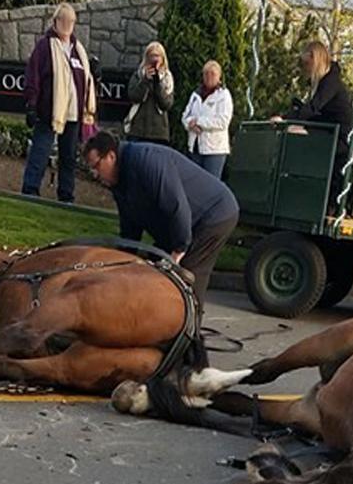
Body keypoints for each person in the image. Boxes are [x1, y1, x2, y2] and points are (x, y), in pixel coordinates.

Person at [82, 131, 238, 304]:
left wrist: (178, 251)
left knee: (185, 277)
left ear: (111, 156)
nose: (94, 174)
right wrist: (124, 258)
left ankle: (189, 327)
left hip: (214, 213)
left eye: (96, 166)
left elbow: (176, 205)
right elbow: (129, 225)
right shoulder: (118, 180)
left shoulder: (146, 161)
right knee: (153, 270)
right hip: (180, 221)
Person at [22, 3, 97, 204]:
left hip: (73, 114)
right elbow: (33, 76)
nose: (67, 24)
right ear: (55, 21)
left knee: (69, 158)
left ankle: (66, 195)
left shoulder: (78, 49)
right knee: (40, 152)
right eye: (63, 20)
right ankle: (30, 191)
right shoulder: (45, 46)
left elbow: (85, 79)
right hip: (49, 112)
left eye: (70, 21)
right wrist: (31, 104)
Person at [271, 41, 353, 211]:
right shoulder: (323, 82)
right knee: (296, 132)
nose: (306, 69)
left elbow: (314, 107)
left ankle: (318, 199)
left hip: (339, 138)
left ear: (315, 60)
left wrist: (286, 119)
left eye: (307, 64)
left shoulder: (331, 82)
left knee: (298, 133)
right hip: (327, 131)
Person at [182, 60, 233, 179]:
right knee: (194, 183)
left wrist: (200, 122)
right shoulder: (195, 94)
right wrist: (190, 124)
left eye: (212, 74)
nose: (209, 77)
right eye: (206, 73)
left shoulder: (224, 95)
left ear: (219, 76)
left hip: (214, 150)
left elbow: (223, 121)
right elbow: (185, 116)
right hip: (195, 147)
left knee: (211, 185)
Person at [124, 41, 173, 145]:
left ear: (162, 59)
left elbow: (166, 104)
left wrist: (157, 81)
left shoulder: (167, 79)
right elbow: (133, 96)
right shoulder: (138, 75)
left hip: (158, 133)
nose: (154, 59)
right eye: (151, 55)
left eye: (157, 56)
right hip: (138, 130)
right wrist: (145, 80)